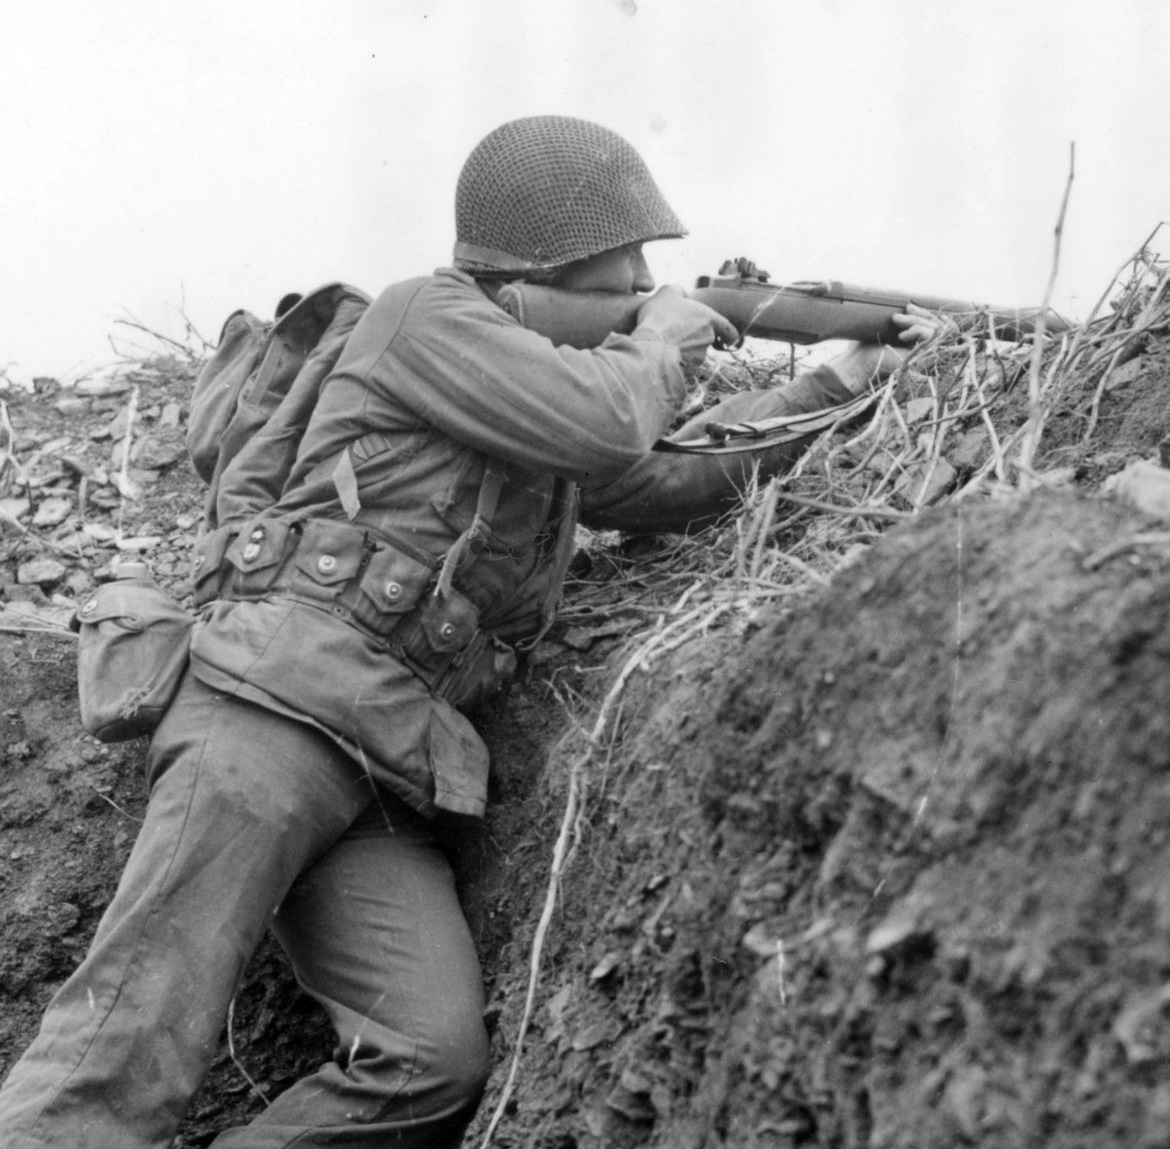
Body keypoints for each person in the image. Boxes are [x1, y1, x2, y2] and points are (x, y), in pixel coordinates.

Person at [0, 115, 939, 1148]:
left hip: (386, 762)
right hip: (268, 720)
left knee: (429, 1064)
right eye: (624, 277)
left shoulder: (539, 389)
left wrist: (841, 379)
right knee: (124, 1050)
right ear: (544, 266)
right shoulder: (426, 320)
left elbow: (662, 473)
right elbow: (604, 421)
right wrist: (666, 337)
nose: (643, 292)